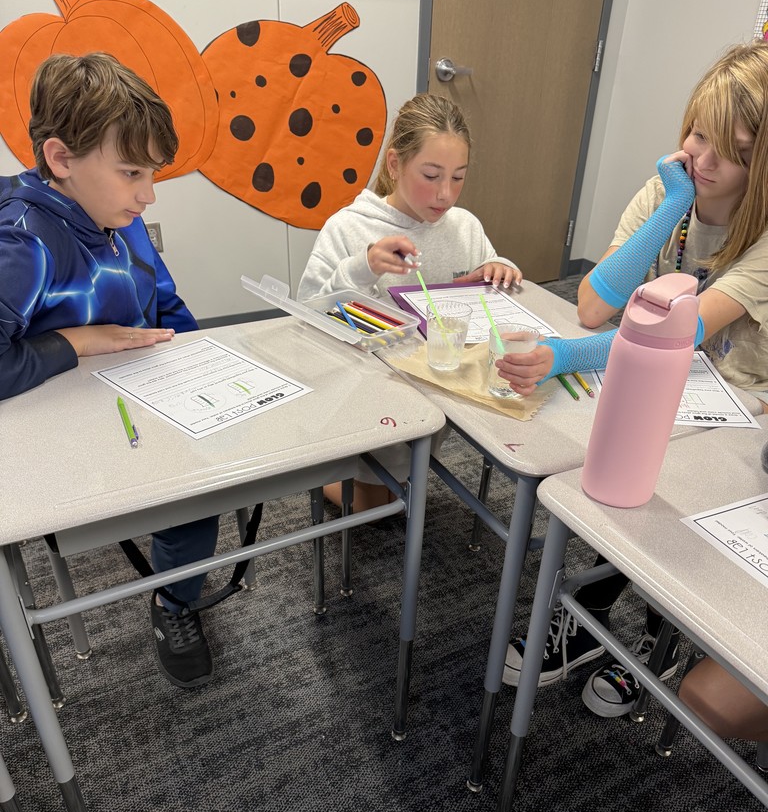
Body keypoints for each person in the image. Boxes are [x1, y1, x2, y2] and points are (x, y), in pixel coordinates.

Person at [497, 40, 768, 716]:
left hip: (734, 411)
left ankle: (648, 636)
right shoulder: (669, 189)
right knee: (590, 471)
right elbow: (594, 304)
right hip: (653, 383)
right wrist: (672, 205)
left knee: (652, 495)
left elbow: (676, 336)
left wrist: (562, 356)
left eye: (728, 150)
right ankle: (601, 622)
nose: (701, 160)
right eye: (696, 134)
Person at [0, 52, 219, 690]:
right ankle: (177, 601)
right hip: (60, 436)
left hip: (139, 401)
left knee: (208, 483)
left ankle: (174, 598)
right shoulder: (23, 243)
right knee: (190, 497)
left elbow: (164, 303)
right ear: (62, 159)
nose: (147, 194)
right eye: (131, 172)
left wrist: (202, 361)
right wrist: (74, 340)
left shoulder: (117, 216)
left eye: (151, 173)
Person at [298, 92, 521, 510]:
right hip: (372, 391)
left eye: (458, 177)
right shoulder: (348, 227)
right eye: (431, 175)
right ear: (395, 164)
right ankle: (328, 471)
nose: (445, 194)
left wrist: (499, 266)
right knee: (376, 507)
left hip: (443, 385)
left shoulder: (464, 226)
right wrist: (362, 267)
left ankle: (393, 473)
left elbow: (484, 266)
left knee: (406, 487)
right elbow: (309, 312)